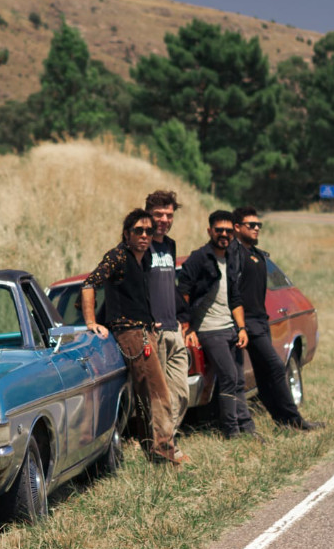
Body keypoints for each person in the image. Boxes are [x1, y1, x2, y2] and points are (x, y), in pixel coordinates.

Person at [82, 209, 182, 465]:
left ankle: (154, 451)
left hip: (145, 330)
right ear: (127, 234)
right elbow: (89, 283)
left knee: (146, 395)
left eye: (148, 231)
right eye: (139, 230)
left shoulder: (143, 259)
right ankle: (166, 451)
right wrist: (92, 322)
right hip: (131, 334)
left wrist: (151, 320)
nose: (145, 235)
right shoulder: (118, 256)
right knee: (159, 393)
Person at [231, 206, 324, 431]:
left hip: (262, 321)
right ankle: (294, 420)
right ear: (237, 227)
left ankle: (282, 421)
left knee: (264, 375)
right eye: (250, 225)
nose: (256, 229)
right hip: (248, 323)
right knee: (275, 367)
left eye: (258, 225)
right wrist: (241, 324)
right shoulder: (234, 253)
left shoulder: (257, 254)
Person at [177, 210, 259, 440]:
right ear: (210, 231)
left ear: (233, 232)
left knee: (238, 379)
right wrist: (187, 326)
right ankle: (232, 431)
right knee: (230, 377)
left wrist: (242, 328)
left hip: (230, 327)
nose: (223, 234)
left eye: (228, 230)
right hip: (209, 330)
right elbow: (182, 293)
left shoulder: (231, 258)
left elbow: (235, 298)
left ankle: (247, 428)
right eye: (219, 230)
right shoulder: (199, 258)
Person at [144, 190, 191, 434]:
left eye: (169, 215)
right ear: (148, 215)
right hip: (154, 330)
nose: (164, 219)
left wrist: (183, 319)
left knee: (181, 392)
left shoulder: (170, 246)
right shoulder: (140, 245)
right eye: (159, 214)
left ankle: (165, 440)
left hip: (173, 328)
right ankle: (163, 445)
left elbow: (168, 286)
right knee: (159, 395)